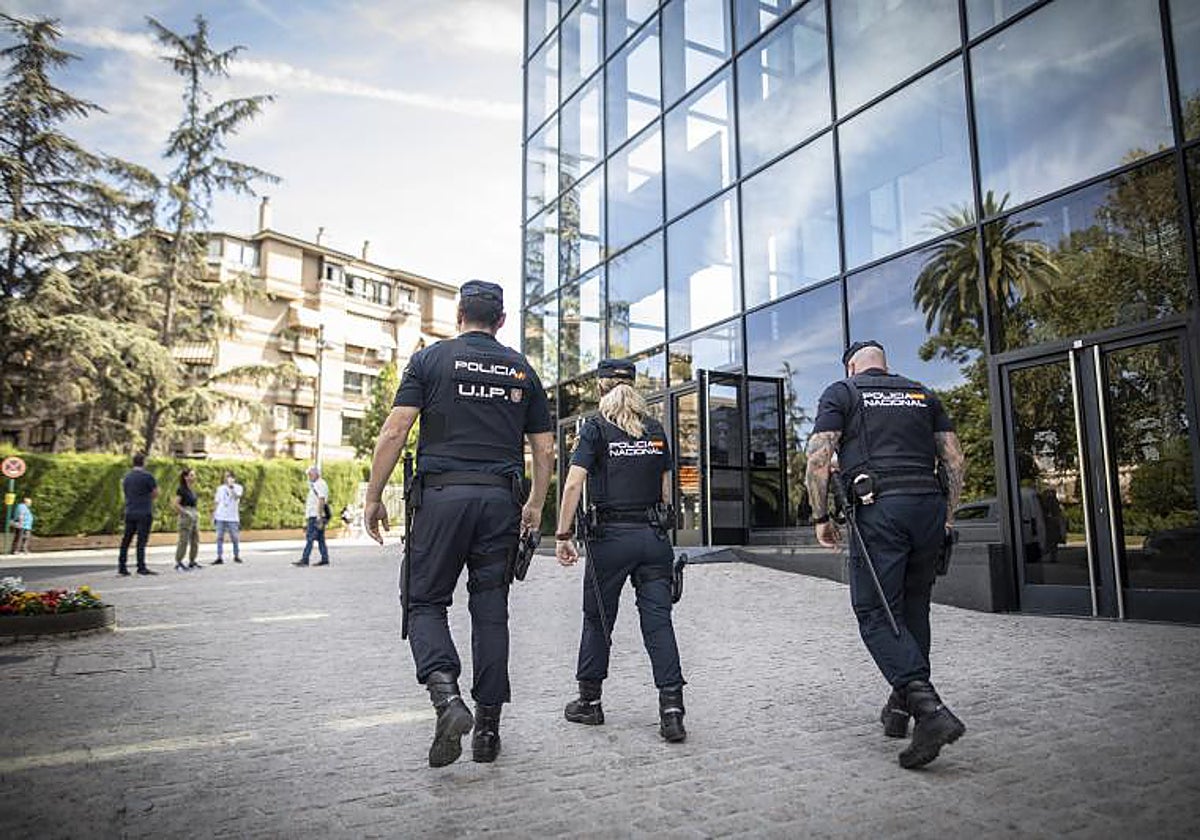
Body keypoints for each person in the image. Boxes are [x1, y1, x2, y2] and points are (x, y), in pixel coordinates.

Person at [363, 279, 554, 768]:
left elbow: (395, 429)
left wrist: (373, 496)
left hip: (442, 499)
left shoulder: (431, 359)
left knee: (424, 599)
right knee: (491, 610)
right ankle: (488, 732)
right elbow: (545, 448)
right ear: (502, 321)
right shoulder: (521, 369)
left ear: (458, 314)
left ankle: (447, 699)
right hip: (499, 503)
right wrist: (534, 504)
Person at [806, 340, 967, 769]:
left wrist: (821, 516)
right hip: (928, 508)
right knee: (914, 610)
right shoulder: (921, 392)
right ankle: (899, 710)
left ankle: (929, 712)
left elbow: (819, 458)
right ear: (885, 362)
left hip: (881, 510)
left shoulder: (843, 391)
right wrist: (946, 516)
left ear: (852, 365)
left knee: (875, 612)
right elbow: (954, 459)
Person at [554, 359, 687, 743]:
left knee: (598, 620)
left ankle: (590, 704)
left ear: (601, 388)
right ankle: (672, 710)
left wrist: (563, 534)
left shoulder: (595, 428)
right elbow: (666, 491)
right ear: (634, 387)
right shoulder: (656, 429)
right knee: (658, 622)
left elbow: (573, 485)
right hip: (652, 538)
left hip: (609, 539)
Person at [118, 453, 159, 576]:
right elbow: (155, 493)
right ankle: (141, 566)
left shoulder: (127, 477)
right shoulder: (148, 477)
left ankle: (122, 566)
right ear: (144, 462)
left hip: (130, 510)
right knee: (141, 541)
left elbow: (125, 492)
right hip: (144, 511)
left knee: (126, 540)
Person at [294, 465, 330, 567]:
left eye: (310, 474)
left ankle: (305, 559)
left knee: (310, 538)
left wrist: (319, 516)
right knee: (320, 539)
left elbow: (321, 500)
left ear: (316, 474)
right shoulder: (316, 484)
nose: (309, 477)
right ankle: (324, 558)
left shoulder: (320, 484)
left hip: (315, 516)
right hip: (315, 515)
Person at [212, 471, 243, 565]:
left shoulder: (238, 487)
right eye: (226, 477)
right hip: (220, 516)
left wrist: (231, 487)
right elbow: (217, 502)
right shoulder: (220, 488)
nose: (228, 478)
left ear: (233, 478)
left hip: (232, 517)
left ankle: (236, 556)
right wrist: (214, 514)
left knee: (234, 537)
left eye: (230, 477)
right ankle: (219, 557)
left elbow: (237, 497)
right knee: (219, 537)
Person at [174, 469, 201, 571]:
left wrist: (196, 513)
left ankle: (192, 561)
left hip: (194, 515)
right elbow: (176, 504)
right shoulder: (181, 489)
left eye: (194, 475)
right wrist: (185, 512)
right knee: (184, 540)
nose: (194, 477)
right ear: (186, 477)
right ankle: (179, 562)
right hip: (186, 516)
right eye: (191, 475)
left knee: (195, 540)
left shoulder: (192, 490)